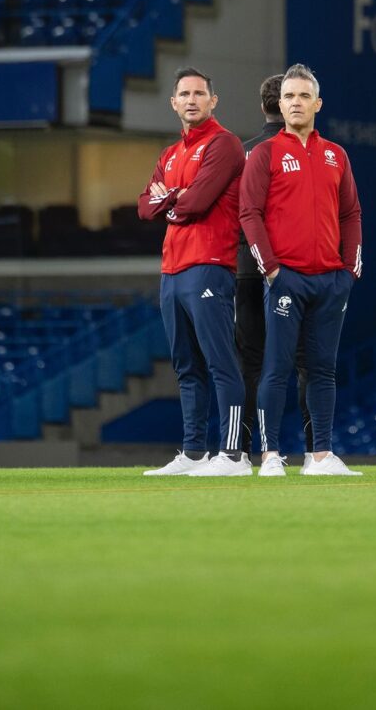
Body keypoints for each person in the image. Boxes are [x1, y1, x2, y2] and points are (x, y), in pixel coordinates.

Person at [239, 63, 364, 477]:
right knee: (276, 368)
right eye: (288, 96)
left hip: (330, 281)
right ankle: (271, 455)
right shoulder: (265, 153)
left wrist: (349, 270)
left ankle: (321, 456)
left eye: (303, 96)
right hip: (285, 278)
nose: (295, 102)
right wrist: (271, 269)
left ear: (317, 103)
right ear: (280, 103)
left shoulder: (336, 154)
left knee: (323, 369)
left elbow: (351, 213)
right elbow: (249, 213)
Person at [137, 67, 251, 477]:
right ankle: (193, 453)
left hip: (209, 265)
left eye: (199, 93)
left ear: (212, 100)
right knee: (186, 366)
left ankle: (234, 455)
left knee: (221, 362)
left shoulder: (225, 145)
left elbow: (197, 203)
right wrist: (175, 198)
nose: (191, 100)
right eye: (184, 93)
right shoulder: (169, 153)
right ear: (173, 102)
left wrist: (170, 199)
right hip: (171, 270)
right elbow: (143, 206)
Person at [236, 73, 314, 462]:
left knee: (251, 362)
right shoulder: (302, 153)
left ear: (261, 105)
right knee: (302, 361)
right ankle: (316, 451)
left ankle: (249, 450)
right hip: (293, 269)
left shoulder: (243, 152)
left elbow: (237, 214)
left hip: (246, 270)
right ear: (282, 104)